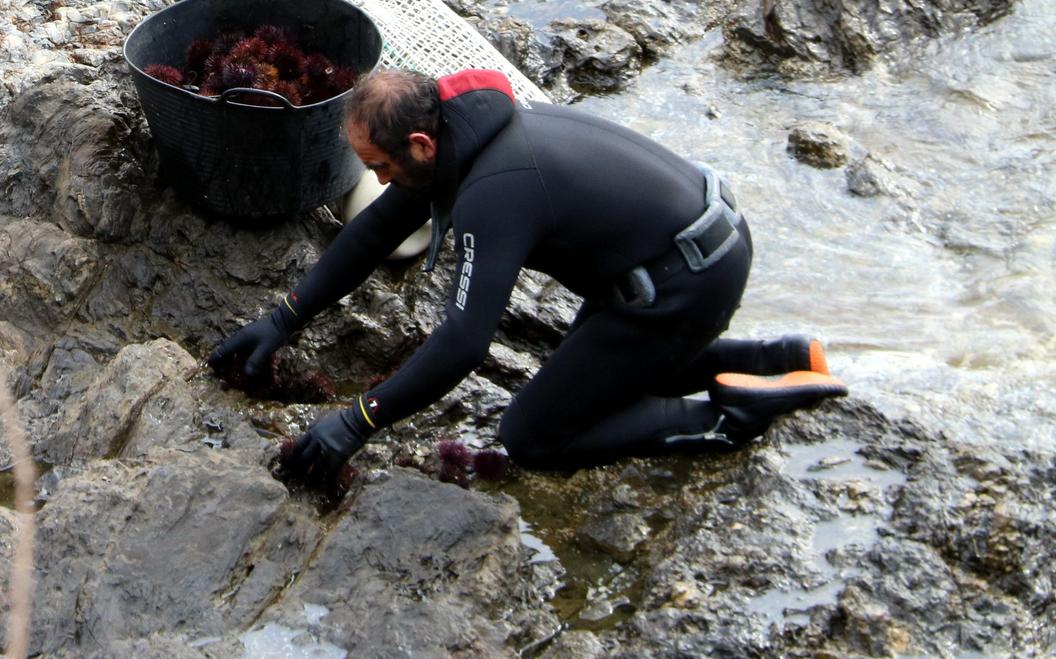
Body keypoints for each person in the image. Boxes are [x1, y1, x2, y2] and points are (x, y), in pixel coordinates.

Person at [210, 68, 848, 489]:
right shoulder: (465, 130)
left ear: (418, 145)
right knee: (590, 376)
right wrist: (283, 318)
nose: (378, 181)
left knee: (534, 435)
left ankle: (728, 415)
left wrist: (357, 420)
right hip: (694, 248)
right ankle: (781, 357)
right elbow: (374, 232)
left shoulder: (495, 190)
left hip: (682, 283)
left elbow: (463, 342)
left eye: (381, 166)